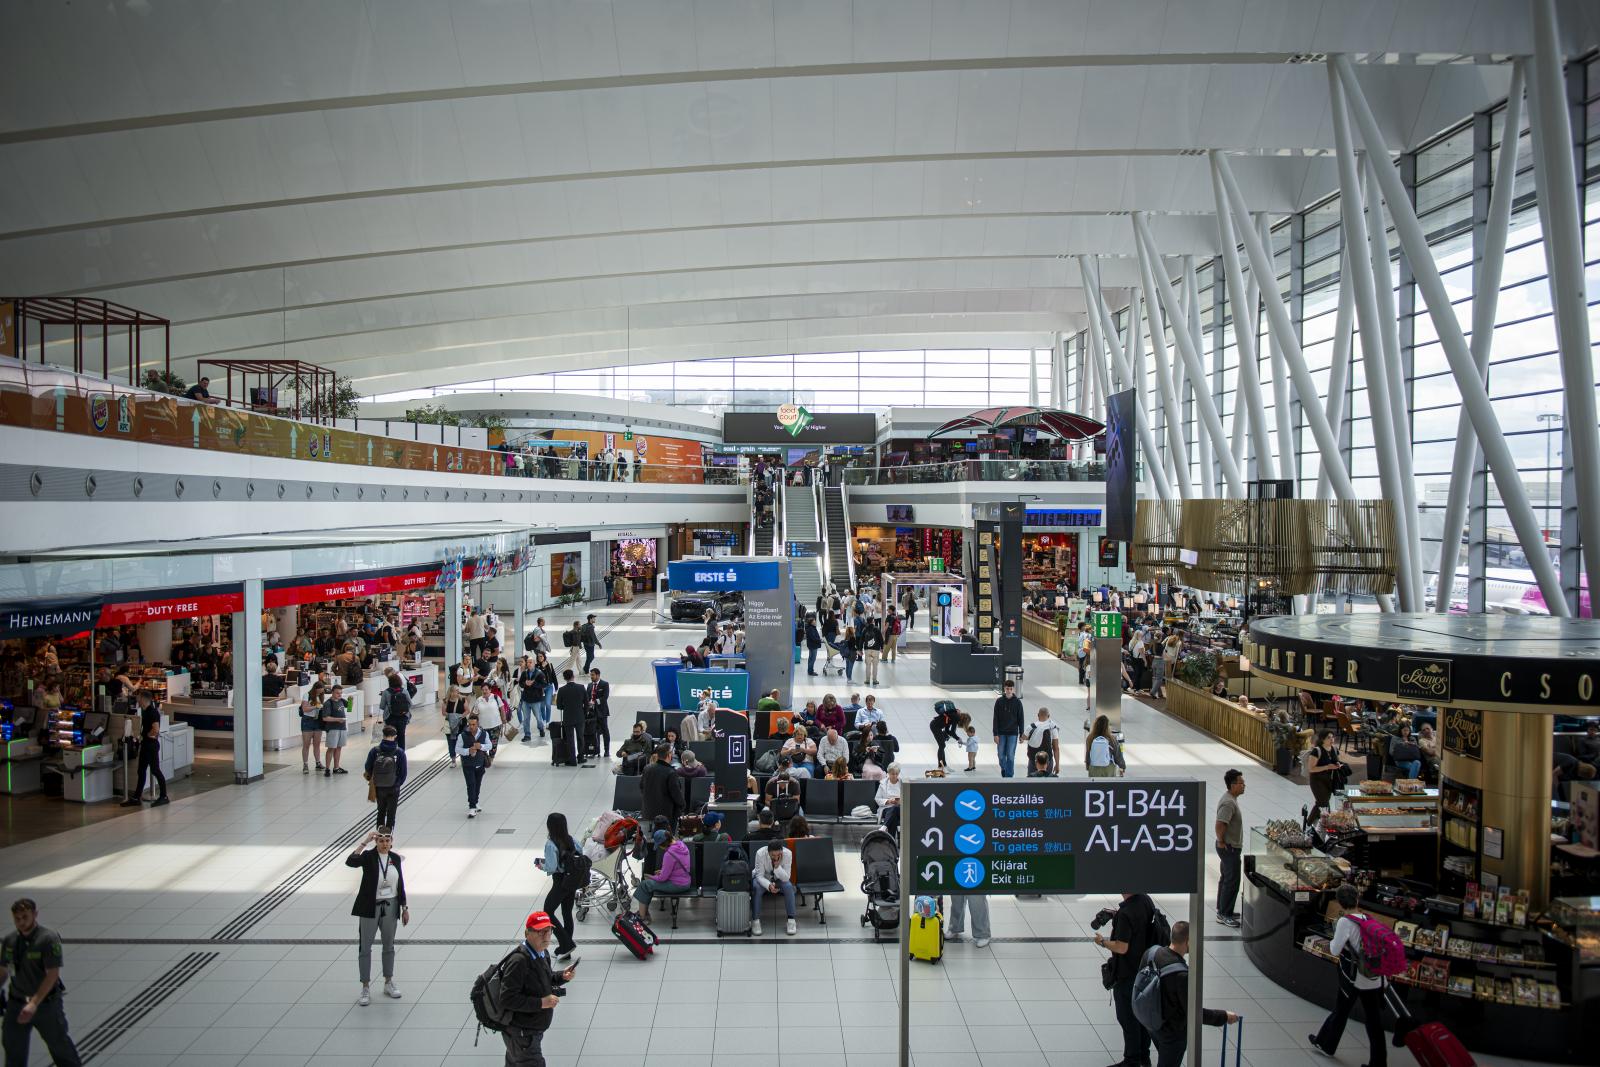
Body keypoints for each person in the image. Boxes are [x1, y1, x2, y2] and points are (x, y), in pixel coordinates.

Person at [1310, 884, 1390, 1067]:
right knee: (1374, 1022)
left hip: (1353, 977)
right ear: (1357, 899)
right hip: (1373, 977)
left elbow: (1334, 949)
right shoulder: (1367, 918)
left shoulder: (1345, 922)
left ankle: (1326, 1044)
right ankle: (1379, 1062)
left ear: (1340, 902)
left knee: (1341, 1010)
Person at [1, 898, 81, 1067]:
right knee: (13, 1050)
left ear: (35, 914)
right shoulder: (10, 941)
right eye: (17, 918)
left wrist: (34, 1004)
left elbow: (52, 975)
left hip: (46, 1005)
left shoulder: (47, 939)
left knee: (60, 1047)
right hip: (17, 1004)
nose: (21, 922)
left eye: (25, 917)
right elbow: (4, 970)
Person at [1144, 921, 1237, 1067]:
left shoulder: (1152, 953)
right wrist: (1224, 1016)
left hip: (1151, 1023)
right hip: (1171, 1033)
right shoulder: (1182, 975)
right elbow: (1194, 1012)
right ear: (1189, 941)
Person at [495, 911, 577, 1067]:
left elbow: (545, 977)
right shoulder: (518, 962)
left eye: (549, 931)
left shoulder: (542, 952)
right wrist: (541, 1003)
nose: (546, 936)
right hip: (522, 1034)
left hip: (530, 1032)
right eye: (540, 931)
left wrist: (562, 976)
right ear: (527, 933)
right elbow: (507, 998)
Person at [1093, 891, 1159, 1067]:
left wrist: (1102, 942)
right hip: (1145, 969)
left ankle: (1131, 1060)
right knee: (1142, 1017)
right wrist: (1116, 915)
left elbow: (1121, 947)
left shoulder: (1126, 914)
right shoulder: (1145, 900)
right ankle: (1144, 1056)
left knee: (1128, 1018)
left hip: (1127, 974)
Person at [346, 828, 408, 1006]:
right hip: (370, 907)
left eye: (387, 841)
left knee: (389, 945)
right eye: (381, 841)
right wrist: (364, 842)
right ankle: (365, 986)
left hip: (391, 905)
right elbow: (350, 862)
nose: (384, 844)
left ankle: (388, 982)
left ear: (392, 841)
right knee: (365, 947)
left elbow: (400, 884)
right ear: (376, 841)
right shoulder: (368, 857)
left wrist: (405, 907)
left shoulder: (395, 858)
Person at [535, 813, 581, 960]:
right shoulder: (572, 840)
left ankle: (566, 944)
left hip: (560, 881)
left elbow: (552, 866)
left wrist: (541, 865)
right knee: (567, 912)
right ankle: (565, 950)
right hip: (572, 880)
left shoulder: (550, 844)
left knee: (547, 912)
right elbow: (580, 855)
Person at [121, 689, 170, 807]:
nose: (136, 699)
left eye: (138, 697)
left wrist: (148, 735)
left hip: (151, 745)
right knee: (141, 770)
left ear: (143, 698)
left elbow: (156, 729)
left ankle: (164, 796)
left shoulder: (152, 712)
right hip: (146, 745)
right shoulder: (145, 711)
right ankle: (136, 797)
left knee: (155, 770)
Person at [633, 827, 692, 913]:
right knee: (648, 884)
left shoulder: (669, 854)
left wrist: (650, 876)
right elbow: (679, 867)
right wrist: (662, 871)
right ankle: (644, 912)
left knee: (645, 884)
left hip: (677, 885)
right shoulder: (682, 845)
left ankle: (642, 916)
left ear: (663, 844)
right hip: (686, 882)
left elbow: (662, 879)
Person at [1215, 769, 1245, 928]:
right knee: (1231, 881)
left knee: (1226, 878)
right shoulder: (1228, 802)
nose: (1244, 785)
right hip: (1229, 847)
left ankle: (1223, 908)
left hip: (1229, 846)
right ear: (1232, 785)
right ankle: (1224, 914)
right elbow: (1220, 824)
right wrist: (1221, 841)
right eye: (1241, 783)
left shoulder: (1231, 799)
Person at [752, 839, 798, 936]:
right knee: (756, 888)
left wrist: (777, 866)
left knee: (789, 887)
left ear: (782, 851)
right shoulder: (760, 853)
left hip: (779, 878)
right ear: (768, 852)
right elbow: (759, 876)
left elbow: (786, 877)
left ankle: (791, 920)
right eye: (773, 855)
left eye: (778, 855)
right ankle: (755, 921)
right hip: (763, 878)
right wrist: (769, 885)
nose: (776, 857)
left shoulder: (788, 854)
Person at [365, 726, 408, 829]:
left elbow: (367, 767)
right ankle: (388, 840)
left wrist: (374, 779)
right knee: (391, 814)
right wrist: (397, 783)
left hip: (379, 786)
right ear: (395, 737)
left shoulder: (375, 751)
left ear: (383, 735)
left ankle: (379, 839)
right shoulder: (400, 752)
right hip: (394, 787)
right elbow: (403, 773)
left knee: (381, 812)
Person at [459, 712, 494, 818]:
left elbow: (490, 745)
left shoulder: (484, 734)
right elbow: (458, 749)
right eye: (470, 724)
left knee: (477, 784)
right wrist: (467, 751)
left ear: (477, 724)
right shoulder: (463, 735)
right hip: (467, 764)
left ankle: (476, 801)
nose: (471, 727)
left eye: (474, 724)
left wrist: (481, 746)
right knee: (471, 785)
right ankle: (472, 807)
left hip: (480, 763)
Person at [640, 743, 685, 827]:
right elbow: (676, 795)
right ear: (668, 755)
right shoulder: (671, 772)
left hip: (648, 811)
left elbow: (642, 787)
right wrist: (683, 805)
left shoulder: (647, 768)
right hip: (667, 814)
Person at [1306, 730, 1342, 826]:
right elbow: (1311, 769)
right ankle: (1309, 824)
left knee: (1323, 803)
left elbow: (1337, 761)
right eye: (1328, 737)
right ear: (1322, 739)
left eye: (1332, 737)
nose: (1332, 739)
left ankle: (1318, 825)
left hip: (1329, 780)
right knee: (1322, 803)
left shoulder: (1334, 749)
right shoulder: (1316, 751)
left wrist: (1338, 764)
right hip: (1317, 780)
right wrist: (1327, 767)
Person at [554, 669, 587, 767]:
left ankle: (572, 760)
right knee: (580, 737)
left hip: (568, 718)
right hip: (580, 717)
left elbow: (559, 706)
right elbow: (586, 702)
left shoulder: (562, 690)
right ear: (573, 676)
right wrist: (583, 713)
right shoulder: (581, 688)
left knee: (570, 739)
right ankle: (580, 757)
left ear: (564, 678)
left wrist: (566, 707)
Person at [992, 680, 1024, 777]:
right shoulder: (999, 702)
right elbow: (995, 718)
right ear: (1004, 689)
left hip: (1013, 733)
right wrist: (995, 734)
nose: (1009, 691)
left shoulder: (1018, 703)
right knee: (1001, 755)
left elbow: (1021, 719)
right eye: (1007, 689)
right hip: (1001, 733)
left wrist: (1021, 734)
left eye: (1010, 689)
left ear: (1013, 689)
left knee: (1010, 755)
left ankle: (1008, 776)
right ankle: (1005, 769)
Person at [1025, 707, 1062, 775]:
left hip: (1033, 759)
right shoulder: (1052, 727)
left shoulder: (1031, 726)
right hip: (1047, 761)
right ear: (1048, 716)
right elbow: (1056, 748)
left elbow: (1024, 737)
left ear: (1038, 715)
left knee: (1031, 783)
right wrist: (1057, 765)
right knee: (1047, 783)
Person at [322, 685, 349, 776]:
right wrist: (337, 719)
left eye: (341, 693)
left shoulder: (341, 700)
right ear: (332, 692)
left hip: (342, 728)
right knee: (331, 748)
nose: (339, 695)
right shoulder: (328, 703)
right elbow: (325, 718)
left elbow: (349, 708)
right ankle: (327, 768)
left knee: (339, 748)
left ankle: (336, 767)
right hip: (333, 729)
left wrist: (351, 701)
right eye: (337, 693)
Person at [515, 655, 543, 743]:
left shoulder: (539, 673)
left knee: (538, 717)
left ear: (534, 663)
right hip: (526, 699)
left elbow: (544, 684)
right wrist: (525, 683)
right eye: (528, 662)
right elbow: (520, 683)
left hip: (535, 700)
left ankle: (541, 728)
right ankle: (527, 735)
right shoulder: (525, 673)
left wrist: (533, 684)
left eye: (531, 662)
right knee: (526, 718)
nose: (529, 664)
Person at [380, 674, 412, 749]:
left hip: (390, 717)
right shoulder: (404, 691)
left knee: (390, 735)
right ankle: (401, 754)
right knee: (401, 735)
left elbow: (382, 706)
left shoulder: (386, 692)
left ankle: (391, 752)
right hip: (403, 717)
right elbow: (410, 704)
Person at [586, 668, 612, 760]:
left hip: (602, 712)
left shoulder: (604, 684)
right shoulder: (589, 686)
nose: (591, 677)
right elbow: (587, 697)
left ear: (598, 675)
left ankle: (607, 750)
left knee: (605, 731)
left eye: (593, 675)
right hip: (592, 713)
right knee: (593, 732)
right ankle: (595, 751)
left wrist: (594, 702)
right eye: (591, 675)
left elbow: (605, 697)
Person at [929, 702, 962, 770]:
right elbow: (952, 732)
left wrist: (953, 737)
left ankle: (944, 764)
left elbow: (947, 730)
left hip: (936, 725)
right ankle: (941, 766)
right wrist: (958, 738)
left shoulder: (952, 714)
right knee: (942, 745)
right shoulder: (956, 718)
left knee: (942, 745)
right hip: (935, 727)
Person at [443, 684, 467, 765]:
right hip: (450, 725)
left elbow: (467, 710)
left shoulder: (463, 699)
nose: (457, 692)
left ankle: (463, 759)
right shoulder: (446, 700)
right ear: (451, 692)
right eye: (455, 691)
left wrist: (459, 717)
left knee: (462, 742)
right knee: (451, 743)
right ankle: (453, 759)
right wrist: (452, 717)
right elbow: (443, 712)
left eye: (458, 690)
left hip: (461, 724)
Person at [877, 763, 903, 836]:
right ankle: (891, 840)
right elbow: (877, 799)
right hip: (886, 809)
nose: (895, 776)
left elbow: (907, 798)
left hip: (900, 809)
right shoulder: (883, 784)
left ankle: (884, 827)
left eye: (896, 774)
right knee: (893, 817)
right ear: (888, 773)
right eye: (892, 774)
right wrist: (888, 801)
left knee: (895, 808)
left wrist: (900, 802)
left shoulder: (902, 783)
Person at [860, 613, 884, 686]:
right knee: (875, 666)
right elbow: (881, 639)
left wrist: (860, 649)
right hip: (876, 649)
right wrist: (882, 648)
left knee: (868, 665)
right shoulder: (876, 629)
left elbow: (861, 640)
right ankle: (874, 680)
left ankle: (867, 680)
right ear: (873, 621)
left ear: (867, 621)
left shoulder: (865, 629)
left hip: (867, 649)